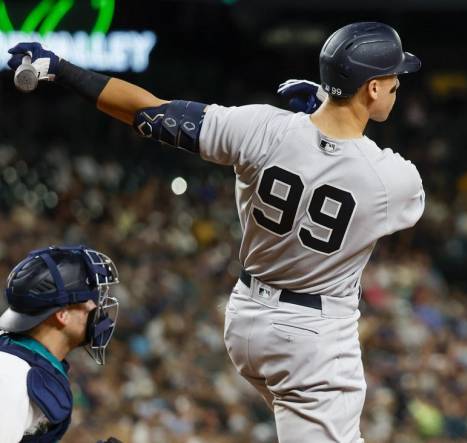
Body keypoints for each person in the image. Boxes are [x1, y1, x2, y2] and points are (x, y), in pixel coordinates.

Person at [7, 21, 424, 442]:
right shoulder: (394, 179)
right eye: (392, 77)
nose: (396, 85)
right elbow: (344, 165)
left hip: (246, 319)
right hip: (311, 339)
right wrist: (318, 116)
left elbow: (149, 113)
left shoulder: (261, 127)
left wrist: (61, 68)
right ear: (371, 88)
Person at [0, 246, 120, 443]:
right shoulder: (9, 374)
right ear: (62, 314)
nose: (96, 307)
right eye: (90, 299)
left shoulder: (21, 363)